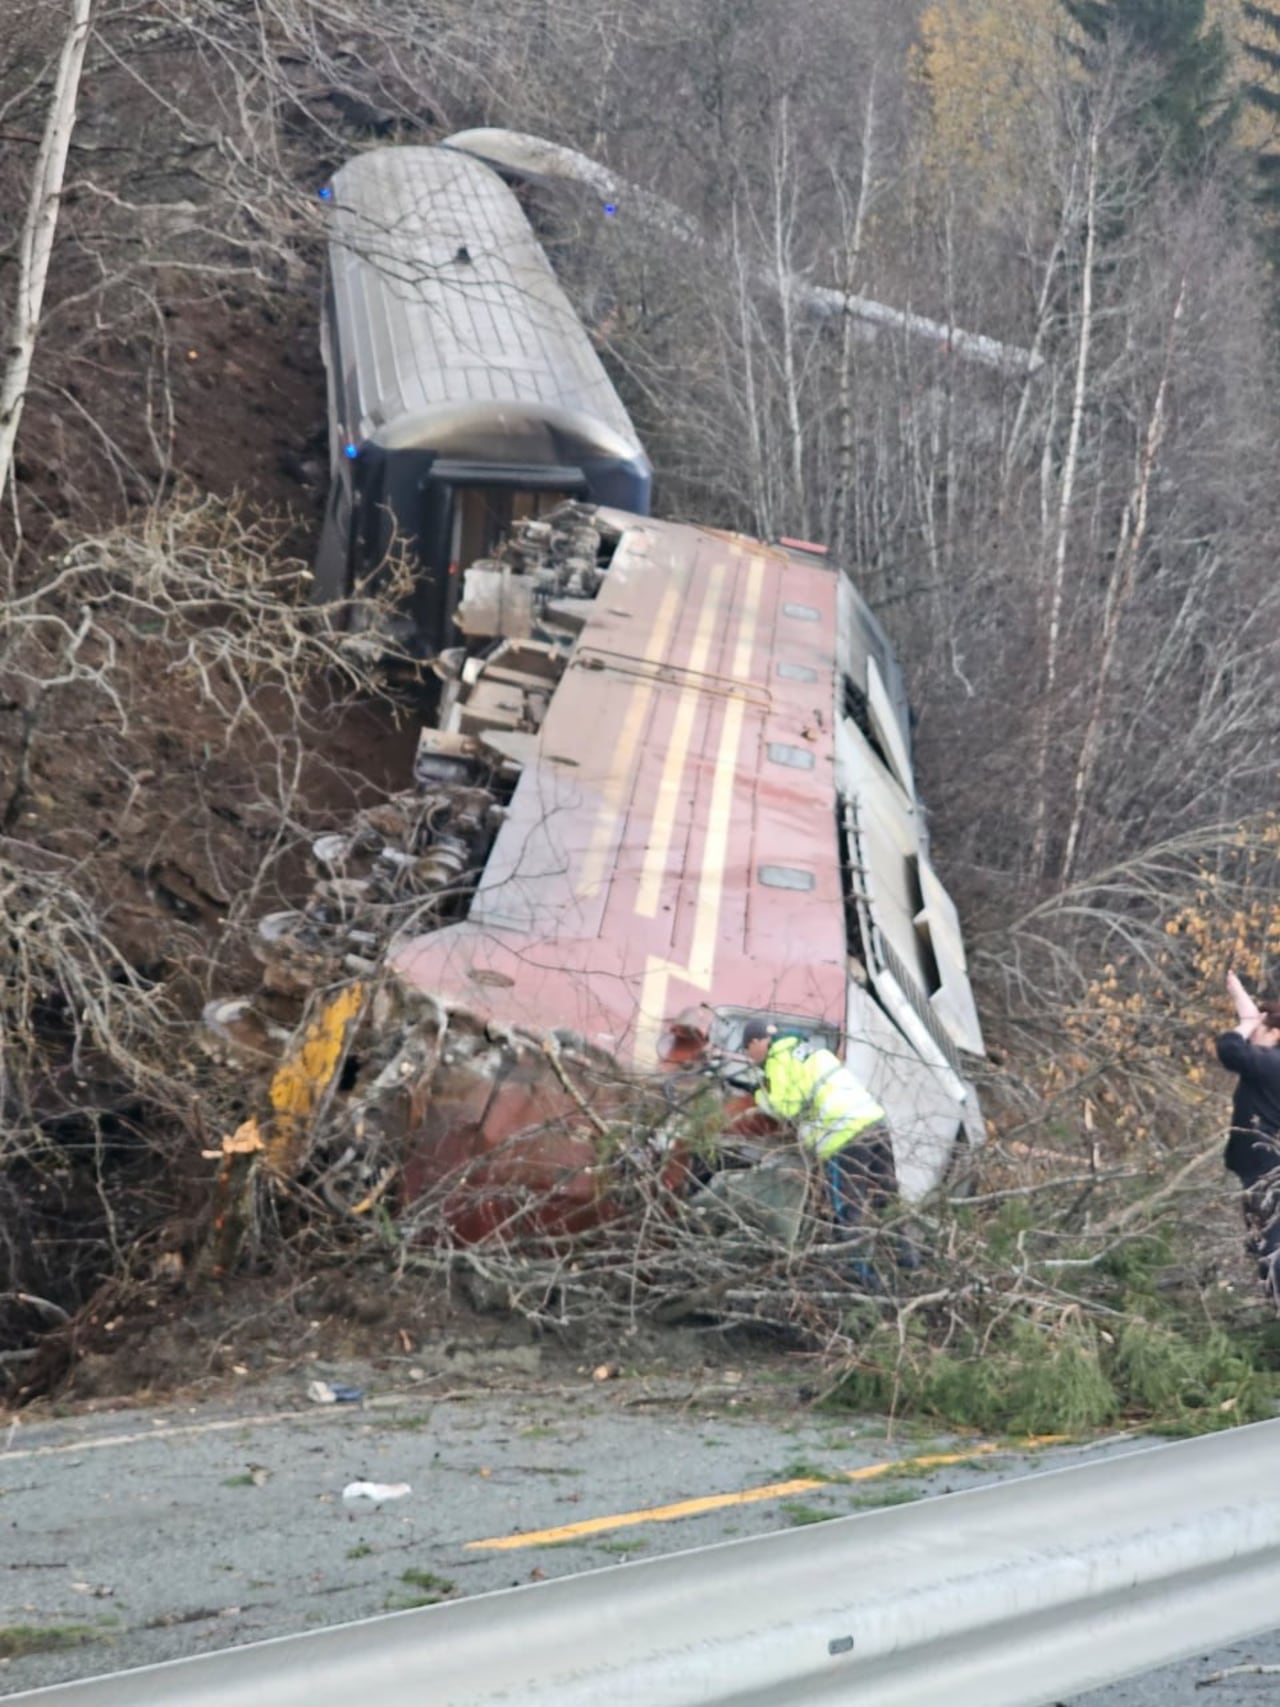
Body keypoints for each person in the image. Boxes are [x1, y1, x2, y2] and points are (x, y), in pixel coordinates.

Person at [741, 1019, 904, 1277]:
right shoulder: (811, 1050)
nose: (749, 1058)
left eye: (747, 1050)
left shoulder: (778, 1060)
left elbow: (786, 1108)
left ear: (756, 1042)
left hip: (844, 1137)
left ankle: (862, 1280)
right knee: (888, 1200)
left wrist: (759, 1096)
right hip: (875, 1124)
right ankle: (908, 1262)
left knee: (849, 1211)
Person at [1216, 970, 1280, 1303]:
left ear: (1274, 1033)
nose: (1251, 1036)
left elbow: (1230, 1049)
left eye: (1258, 1030)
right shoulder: (1269, 1064)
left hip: (1266, 1167)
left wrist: (1244, 1025)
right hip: (1262, 1166)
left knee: (1272, 1241)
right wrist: (1243, 1002)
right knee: (1263, 1237)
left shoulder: (1271, 1063)